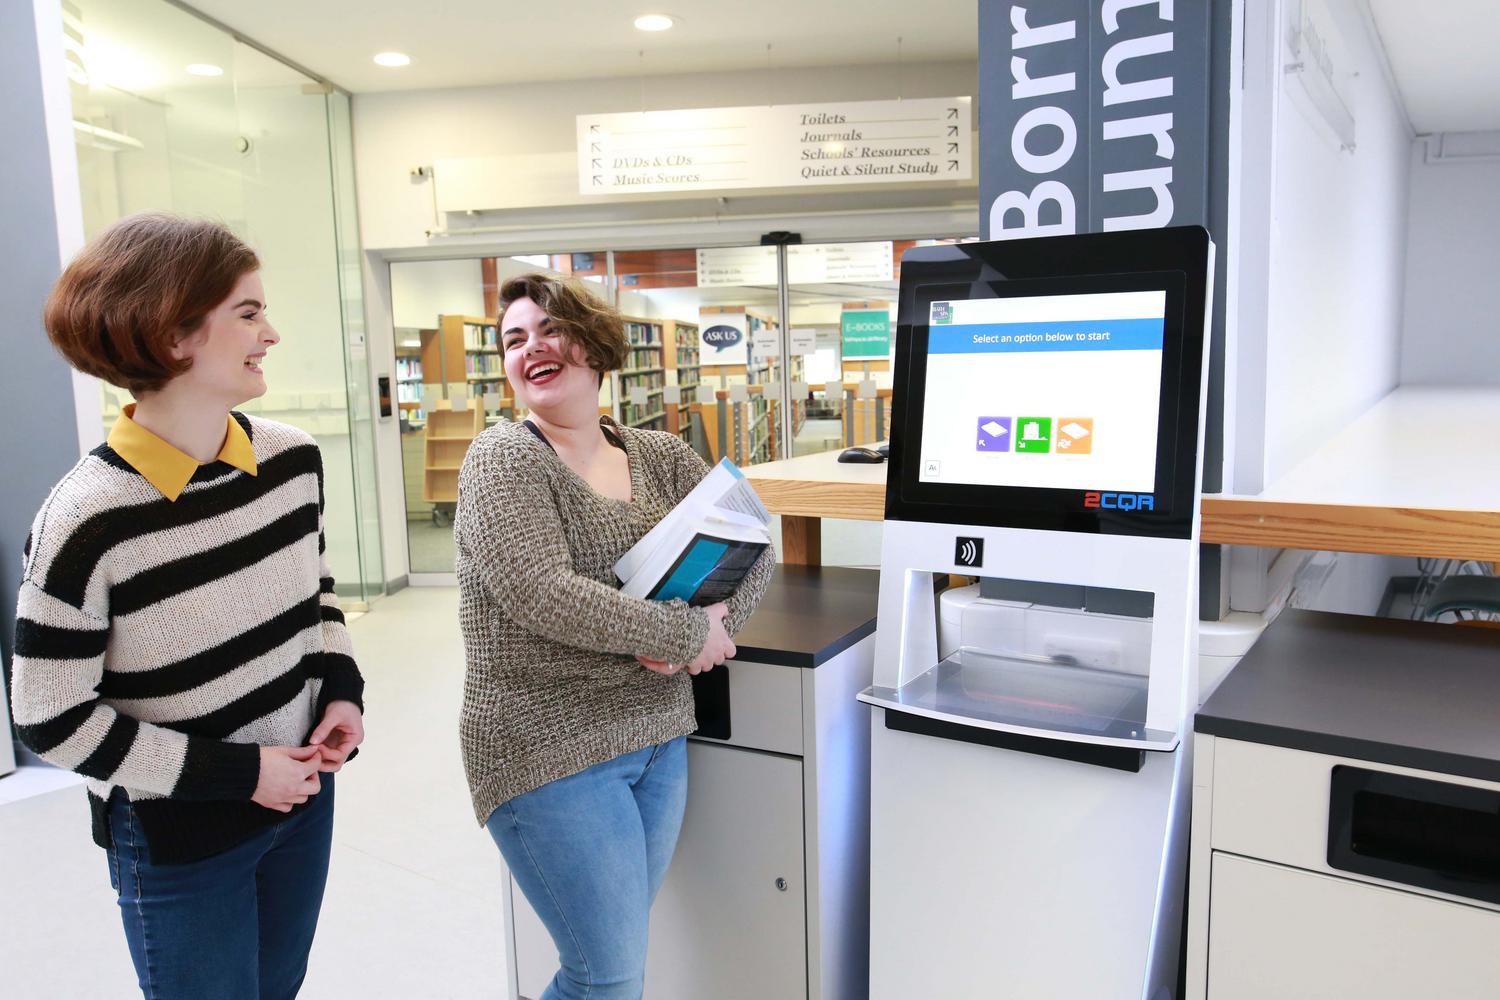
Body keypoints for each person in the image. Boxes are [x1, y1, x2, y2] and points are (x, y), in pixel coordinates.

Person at [9, 213, 365, 1000]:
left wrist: (341, 690)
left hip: (302, 799)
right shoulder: (85, 519)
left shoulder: (290, 460)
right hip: (180, 834)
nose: (270, 332)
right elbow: (49, 717)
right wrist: (240, 775)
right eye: (247, 312)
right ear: (175, 335)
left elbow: (317, 596)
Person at [455, 274, 774, 1000]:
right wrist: (683, 631)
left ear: (594, 344)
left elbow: (754, 542)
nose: (530, 347)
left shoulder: (660, 454)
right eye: (513, 339)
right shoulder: (503, 458)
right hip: (549, 746)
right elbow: (541, 592)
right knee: (607, 977)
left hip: (659, 736)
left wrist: (709, 631)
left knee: (611, 964)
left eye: (548, 329)